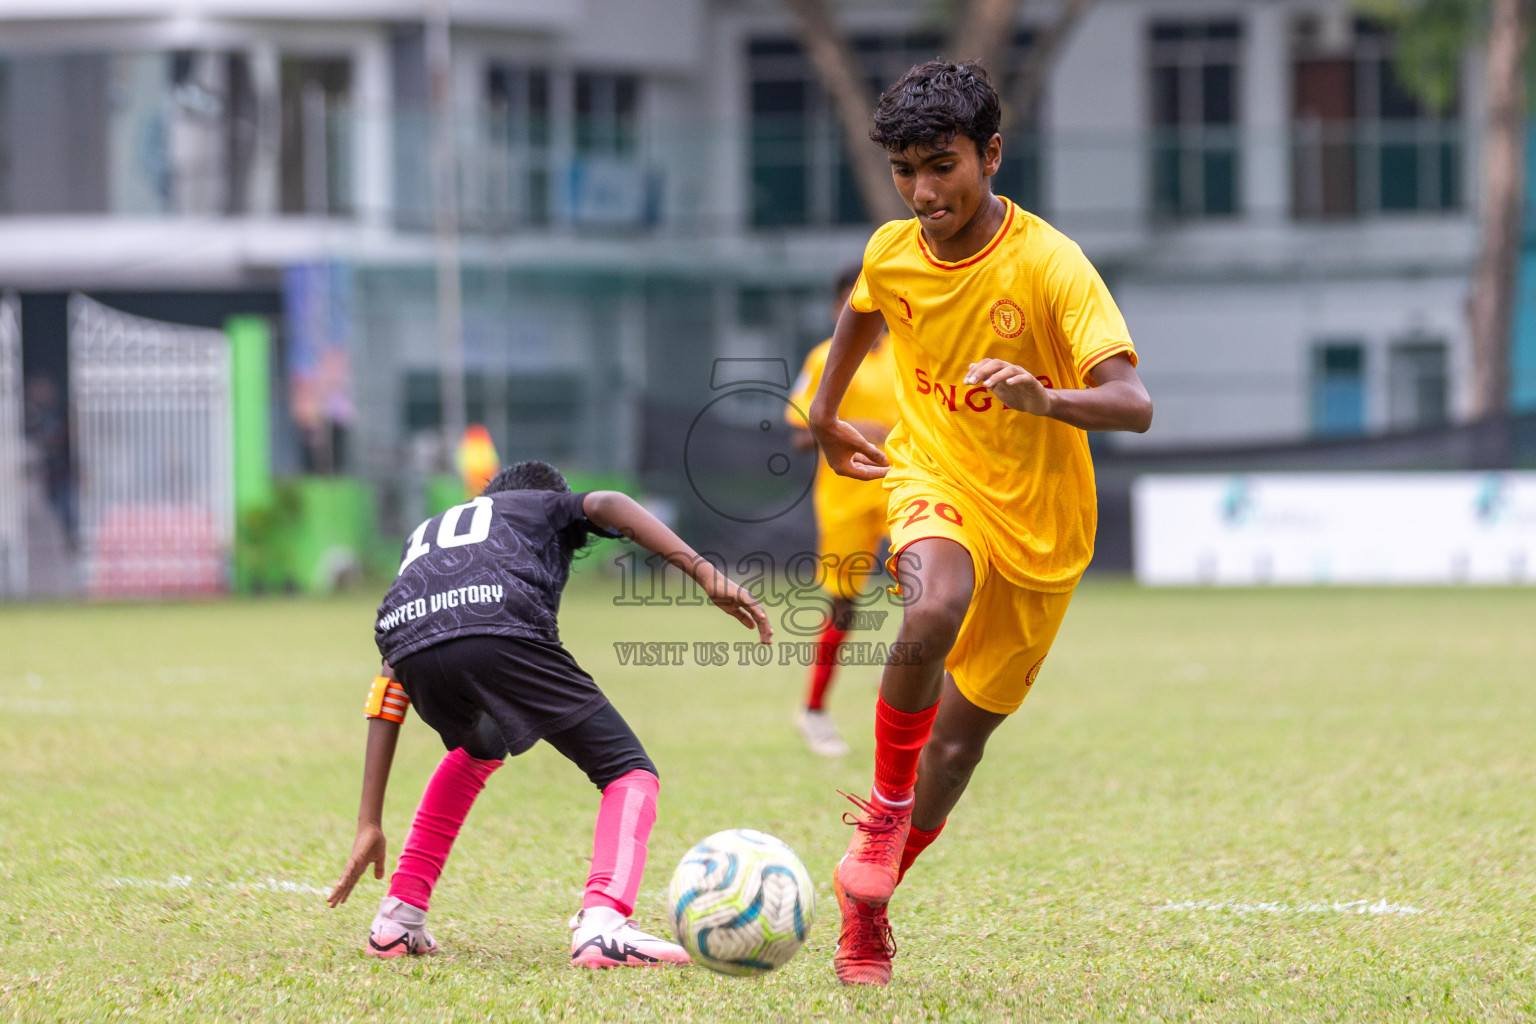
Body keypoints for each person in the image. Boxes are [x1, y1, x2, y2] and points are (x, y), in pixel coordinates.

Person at [806, 61, 1153, 986]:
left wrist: (1047, 398)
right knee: (930, 604)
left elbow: (1134, 404)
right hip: (933, 475)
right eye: (905, 171)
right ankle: (882, 812)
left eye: (943, 166)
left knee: (957, 751)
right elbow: (860, 315)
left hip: (1044, 533)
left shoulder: (1049, 264)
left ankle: (867, 904)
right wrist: (825, 417)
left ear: (991, 154)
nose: (924, 192)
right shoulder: (893, 249)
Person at [327, 460, 772, 967]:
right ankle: (604, 923)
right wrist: (707, 575)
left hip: (409, 647)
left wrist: (370, 820)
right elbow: (608, 503)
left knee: (480, 747)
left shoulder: (430, 532)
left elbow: (389, 680)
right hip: (496, 624)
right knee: (628, 771)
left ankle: (397, 918)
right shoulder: (541, 503)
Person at [783, 265, 899, 757]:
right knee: (844, 605)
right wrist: (854, 428)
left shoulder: (911, 352)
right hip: (846, 496)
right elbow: (800, 435)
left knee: (929, 595)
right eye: (854, 300)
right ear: (838, 309)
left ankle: (901, 703)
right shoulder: (824, 358)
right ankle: (814, 711)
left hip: (906, 489)